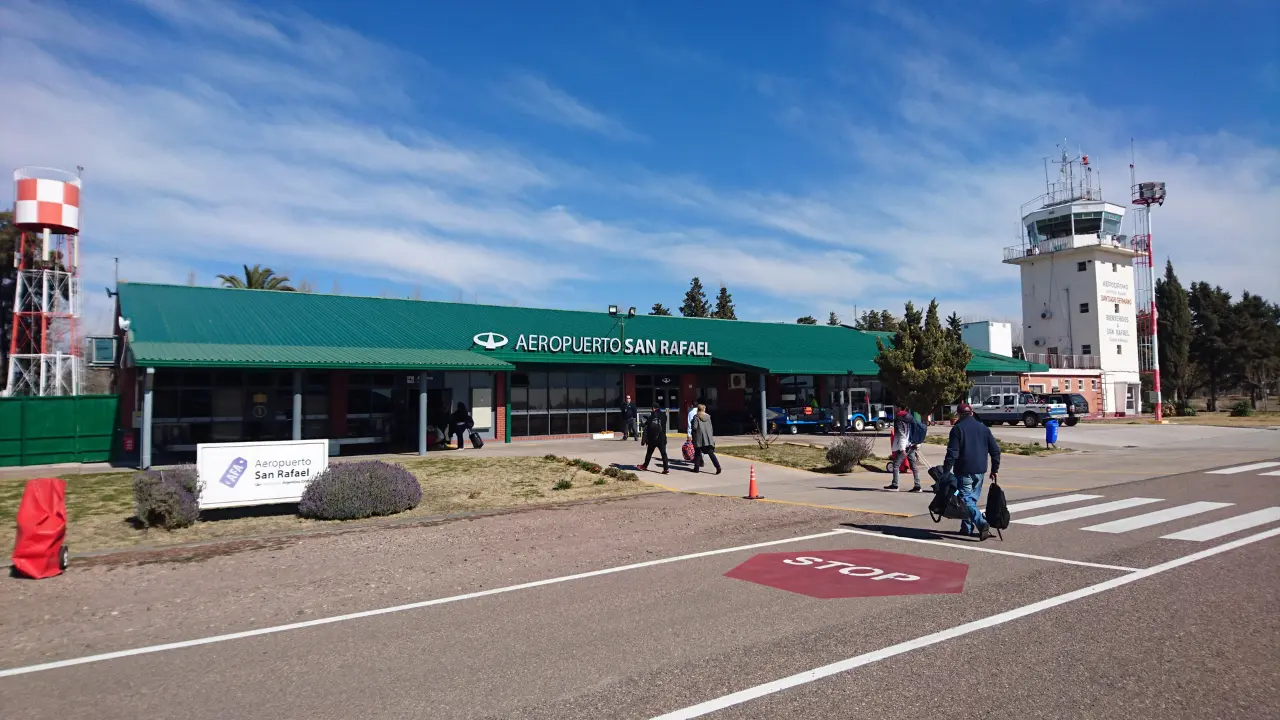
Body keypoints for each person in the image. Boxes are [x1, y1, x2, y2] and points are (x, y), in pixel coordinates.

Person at [942, 403, 1000, 541]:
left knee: (966, 500)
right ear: (972, 413)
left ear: (959, 414)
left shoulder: (957, 429)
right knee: (971, 499)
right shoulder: (983, 428)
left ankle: (981, 523)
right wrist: (994, 469)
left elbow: (952, 453)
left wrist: (945, 471)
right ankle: (966, 528)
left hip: (964, 470)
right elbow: (995, 450)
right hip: (980, 471)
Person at [884, 404, 923, 492]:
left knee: (896, 465)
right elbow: (913, 431)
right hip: (911, 444)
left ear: (899, 408)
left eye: (895, 407)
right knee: (913, 466)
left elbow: (902, 433)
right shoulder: (910, 417)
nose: (894, 409)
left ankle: (895, 485)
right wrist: (917, 444)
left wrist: (902, 448)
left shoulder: (899, 418)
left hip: (904, 446)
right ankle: (917, 486)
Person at [690, 404, 722, 474]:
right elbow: (710, 427)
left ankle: (696, 468)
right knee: (711, 453)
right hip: (707, 438)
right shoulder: (708, 417)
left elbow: (694, 427)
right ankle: (718, 467)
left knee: (698, 453)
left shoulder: (696, 417)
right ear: (704, 409)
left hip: (699, 437)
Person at [639, 406, 669, 474]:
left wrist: (644, 440)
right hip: (662, 438)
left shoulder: (651, 416)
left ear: (653, 408)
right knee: (664, 454)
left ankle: (645, 466)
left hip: (652, 439)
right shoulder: (664, 416)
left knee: (649, 453)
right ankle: (666, 469)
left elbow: (647, 428)